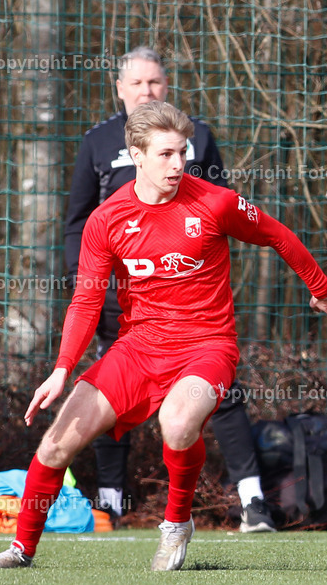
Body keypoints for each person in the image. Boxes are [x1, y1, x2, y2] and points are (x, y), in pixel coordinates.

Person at [0, 101, 327, 570]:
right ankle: (21, 550)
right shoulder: (106, 220)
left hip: (207, 345)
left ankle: (176, 525)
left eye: (183, 152)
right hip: (137, 349)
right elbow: (86, 301)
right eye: (165, 154)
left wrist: (321, 289)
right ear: (136, 153)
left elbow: (278, 234)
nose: (178, 164)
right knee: (56, 444)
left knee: (177, 422)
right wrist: (61, 370)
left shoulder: (214, 201)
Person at [65, 46, 275, 532]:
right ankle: (111, 501)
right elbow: (78, 223)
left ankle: (253, 499)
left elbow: (226, 208)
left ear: (167, 86)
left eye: (154, 83)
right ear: (119, 90)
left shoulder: (196, 137)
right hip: (125, 301)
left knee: (219, 395)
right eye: (136, 84)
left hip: (192, 299)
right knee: (106, 397)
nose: (146, 91)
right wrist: (87, 287)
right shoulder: (97, 142)